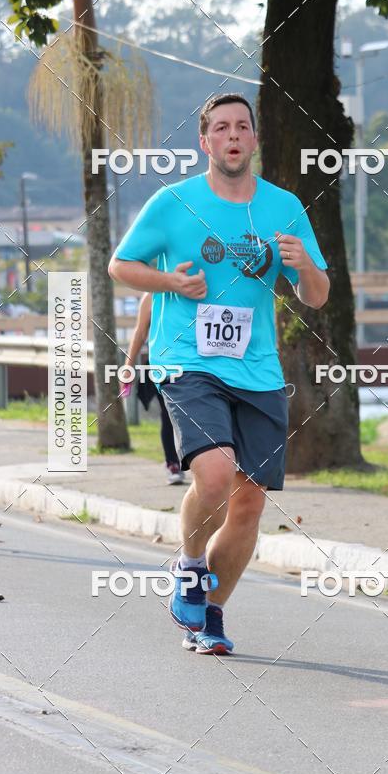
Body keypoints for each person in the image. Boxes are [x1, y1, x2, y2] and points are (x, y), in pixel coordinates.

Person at [109, 93, 329, 655]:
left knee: (249, 502)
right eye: (221, 128)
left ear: (254, 140)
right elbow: (121, 266)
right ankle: (188, 564)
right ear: (204, 142)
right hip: (187, 361)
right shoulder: (173, 201)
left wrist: (304, 267)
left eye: (242, 127)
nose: (233, 136)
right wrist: (172, 285)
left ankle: (211, 613)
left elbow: (318, 296)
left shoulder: (284, 208)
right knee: (213, 475)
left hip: (256, 370)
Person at [119, 292, 185, 485]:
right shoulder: (150, 296)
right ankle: (173, 463)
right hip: (161, 365)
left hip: (193, 364)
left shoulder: (193, 289)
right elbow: (140, 333)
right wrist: (128, 366)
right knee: (168, 414)